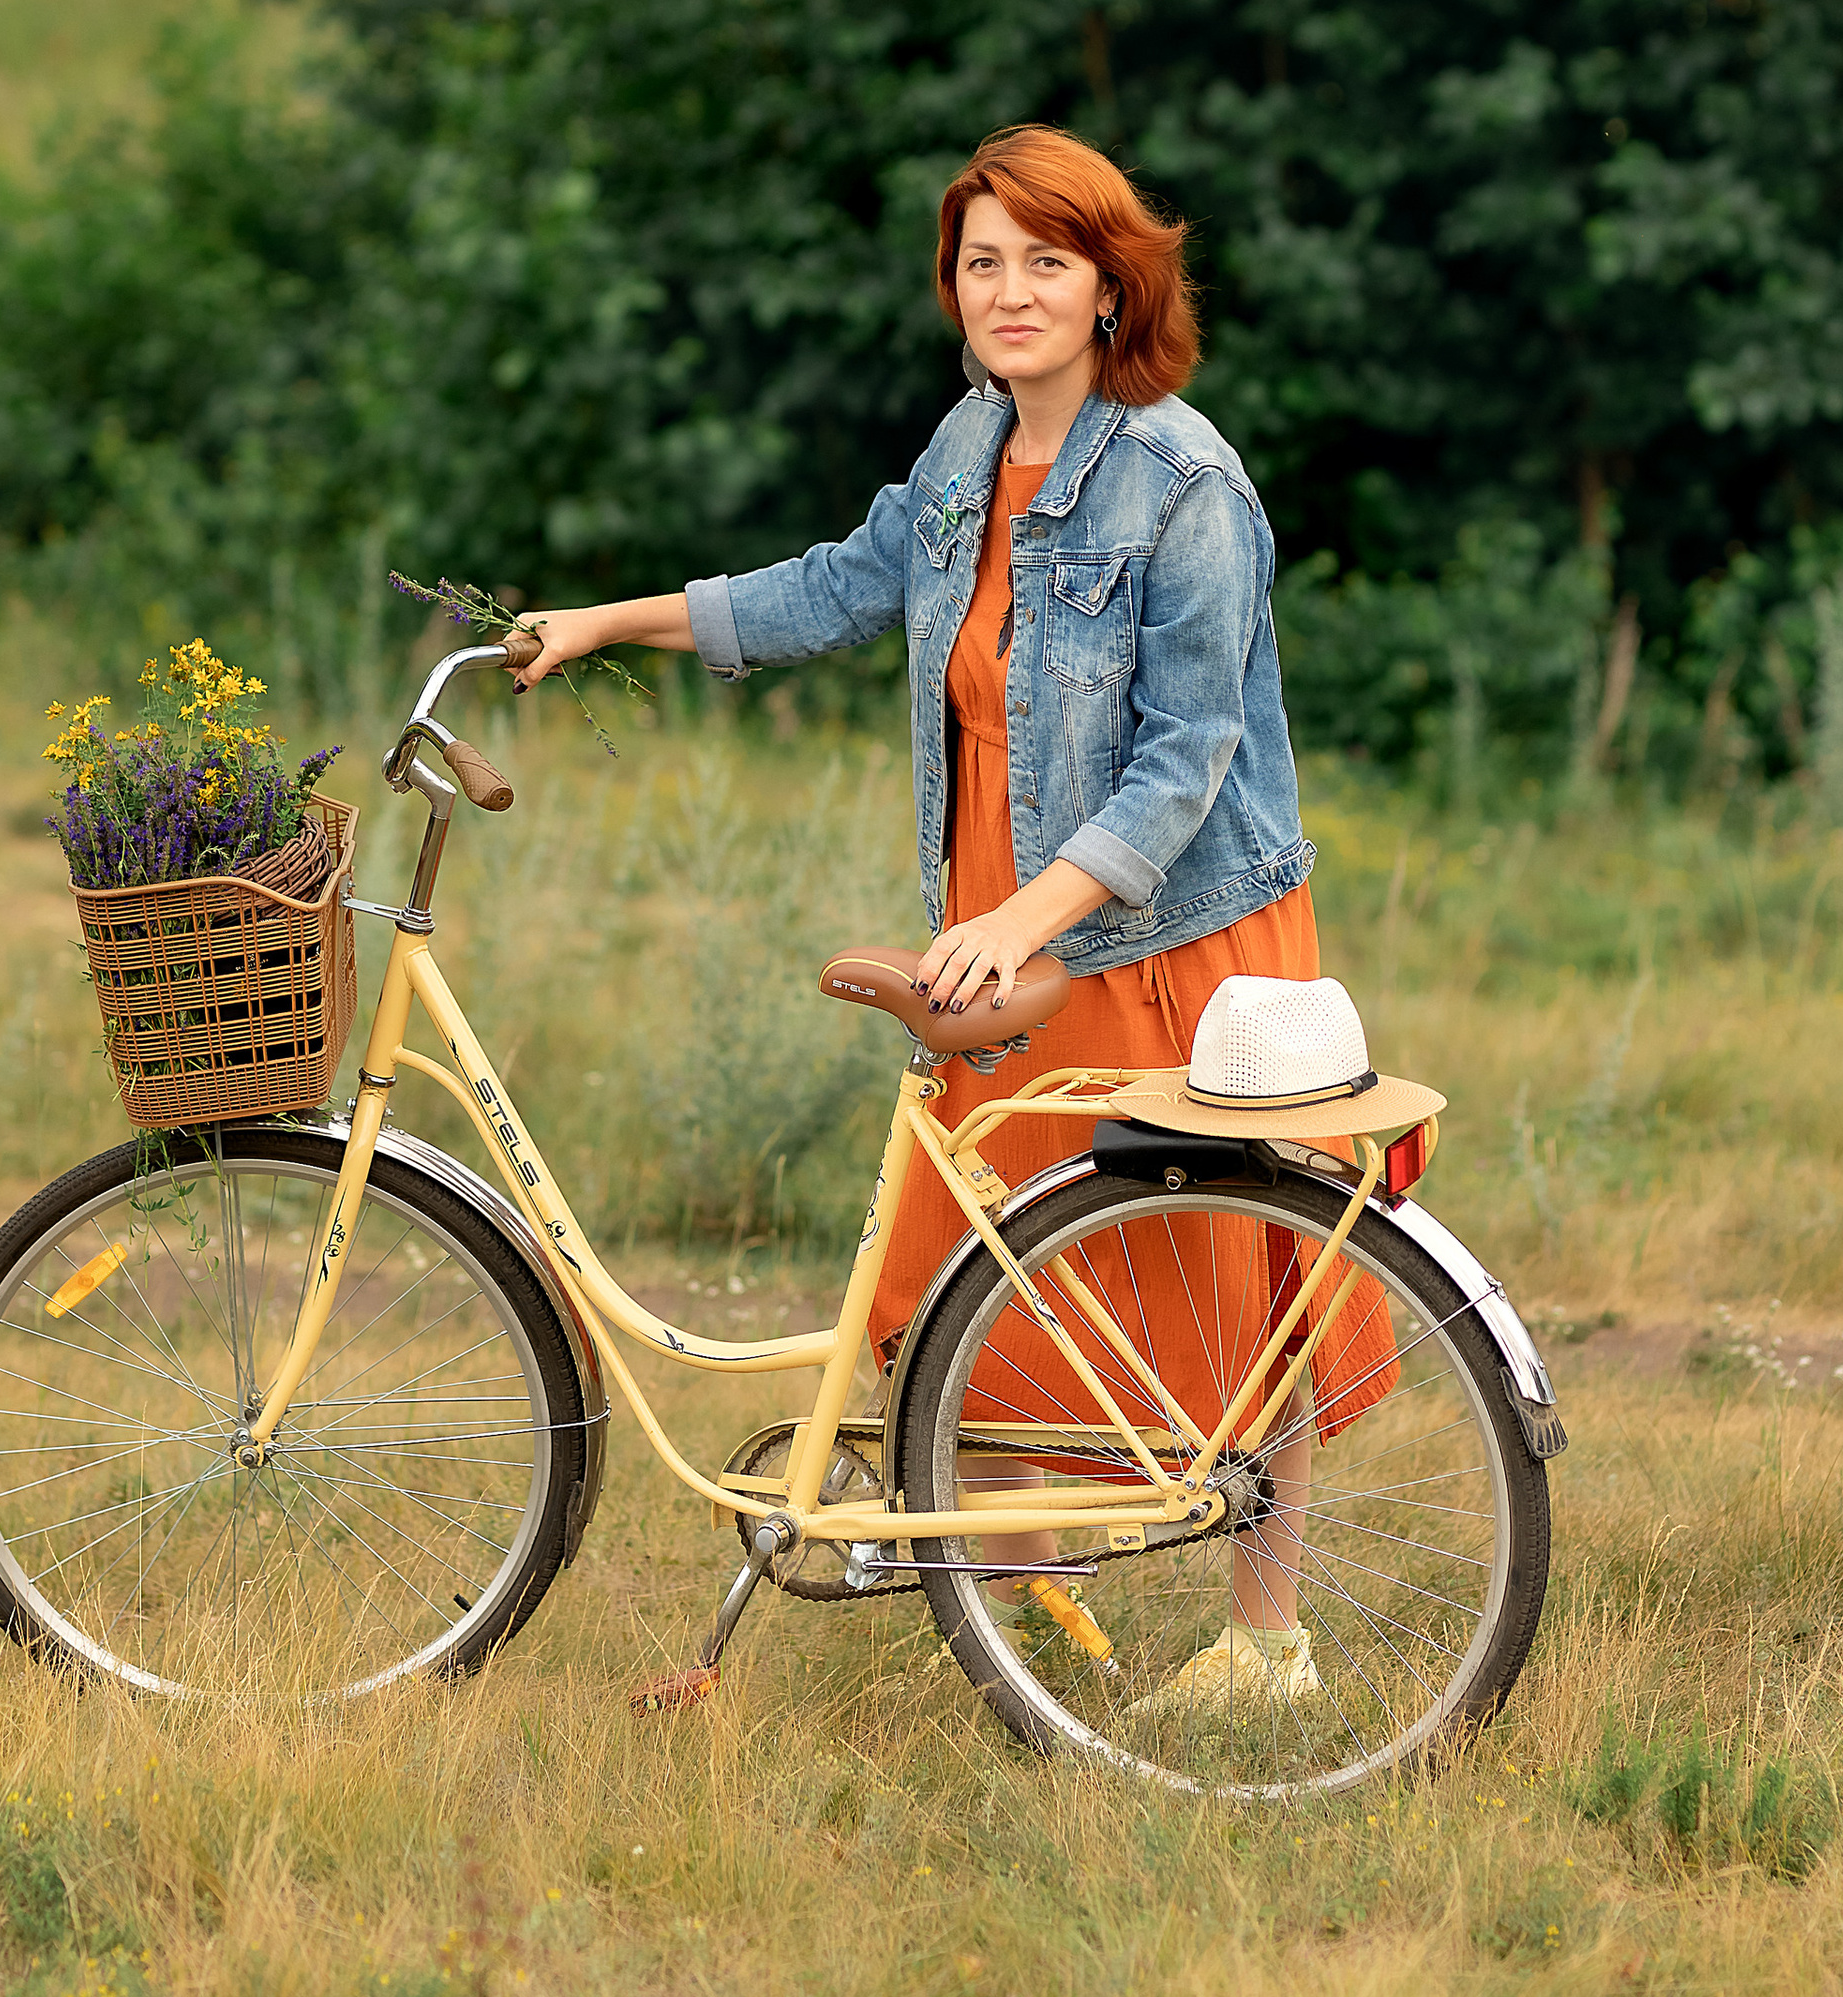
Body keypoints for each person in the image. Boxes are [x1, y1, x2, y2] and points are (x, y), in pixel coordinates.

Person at [510, 124, 1396, 1712]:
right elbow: (840, 586)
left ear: (1113, 284)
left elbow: (1188, 757)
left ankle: (1269, 1647)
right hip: (1002, 922)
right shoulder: (969, 447)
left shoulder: (1188, 481)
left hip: (1157, 929)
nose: (1009, 291)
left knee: (1213, 1284)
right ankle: (1033, 1596)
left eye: (1045, 261)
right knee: (989, 1282)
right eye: (982, 262)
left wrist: (1034, 920)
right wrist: (609, 621)